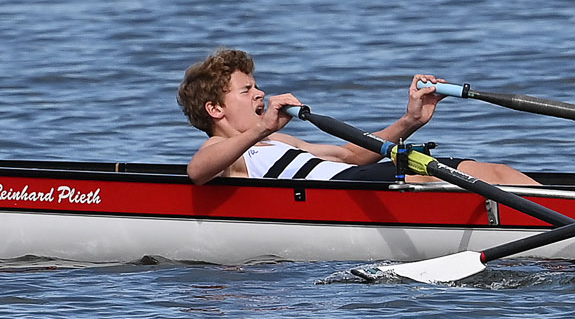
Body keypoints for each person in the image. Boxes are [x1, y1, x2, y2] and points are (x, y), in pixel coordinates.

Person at [179, 49, 532, 186]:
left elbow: (350, 155)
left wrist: (410, 120)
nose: (260, 94)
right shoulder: (226, 149)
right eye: (246, 90)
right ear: (215, 109)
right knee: (455, 180)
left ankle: (569, 220)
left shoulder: (278, 140)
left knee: (494, 171)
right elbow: (198, 172)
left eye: (257, 86)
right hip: (353, 191)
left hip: (359, 174)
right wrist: (259, 129)